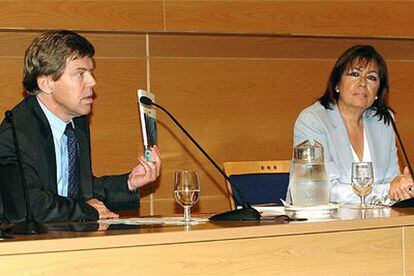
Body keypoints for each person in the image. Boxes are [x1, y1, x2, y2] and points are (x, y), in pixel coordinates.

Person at [0, 30, 161, 222]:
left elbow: (77, 191)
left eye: (90, 72)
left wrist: (128, 183)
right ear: (46, 83)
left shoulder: (77, 121)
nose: (92, 81)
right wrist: (88, 211)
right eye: (79, 74)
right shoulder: (16, 133)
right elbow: (30, 206)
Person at [290, 45, 414, 205]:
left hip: (377, 222)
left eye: (372, 77)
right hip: (323, 223)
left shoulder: (383, 121)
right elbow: (323, 190)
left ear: (378, 91)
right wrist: (386, 191)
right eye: (355, 74)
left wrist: (403, 187)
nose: (363, 83)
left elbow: (391, 181)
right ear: (337, 84)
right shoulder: (313, 120)